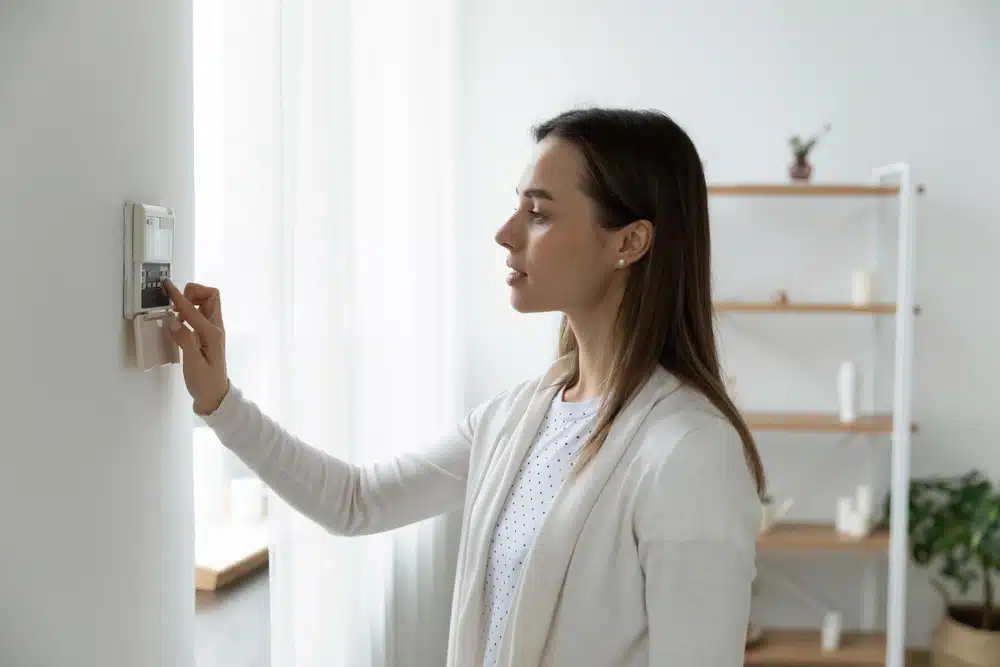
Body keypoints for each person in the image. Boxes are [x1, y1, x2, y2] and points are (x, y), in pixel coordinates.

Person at [164, 107, 767, 667]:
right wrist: (219, 401)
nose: (506, 233)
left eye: (539, 213)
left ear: (629, 242)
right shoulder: (515, 419)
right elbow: (356, 502)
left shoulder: (689, 452)